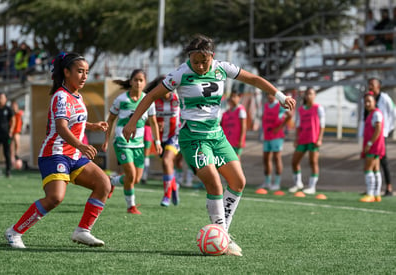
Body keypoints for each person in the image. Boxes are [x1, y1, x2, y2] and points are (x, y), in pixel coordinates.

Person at [122, 34, 296, 256]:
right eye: (195, 61)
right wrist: (132, 122)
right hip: (193, 138)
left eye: (204, 61)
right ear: (189, 59)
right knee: (214, 183)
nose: (200, 66)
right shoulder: (181, 73)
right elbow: (150, 96)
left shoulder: (222, 68)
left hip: (217, 136)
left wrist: (280, 96)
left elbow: (253, 79)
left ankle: (222, 233)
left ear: (212, 56)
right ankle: (222, 235)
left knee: (238, 182)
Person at [4, 52, 111, 249]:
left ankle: (82, 231)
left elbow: (75, 120)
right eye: (80, 71)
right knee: (55, 198)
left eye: (87, 72)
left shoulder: (77, 96)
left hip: (74, 156)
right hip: (55, 154)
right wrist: (81, 145)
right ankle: (14, 232)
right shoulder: (61, 96)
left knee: (104, 184)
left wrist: (92, 126)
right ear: (66, 72)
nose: (84, 76)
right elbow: (61, 127)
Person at [102, 69, 162, 215]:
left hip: (139, 145)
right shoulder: (121, 100)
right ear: (130, 82)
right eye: (135, 80)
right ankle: (131, 206)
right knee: (131, 175)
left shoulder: (149, 100)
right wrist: (106, 140)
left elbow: (153, 123)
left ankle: (112, 182)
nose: (138, 83)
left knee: (136, 179)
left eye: (141, 80)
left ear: (145, 82)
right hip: (122, 142)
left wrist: (157, 141)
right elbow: (110, 120)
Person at [146, 75, 181, 207]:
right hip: (160, 139)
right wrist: (153, 125)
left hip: (175, 136)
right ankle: (174, 187)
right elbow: (145, 121)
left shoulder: (177, 98)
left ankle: (166, 195)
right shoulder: (154, 101)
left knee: (167, 161)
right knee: (167, 166)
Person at [358, 78, 395, 196]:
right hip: (370, 135)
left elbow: (394, 113)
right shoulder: (367, 100)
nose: (370, 86)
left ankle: (386, 187)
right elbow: (364, 119)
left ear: (378, 86)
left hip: (378, 134)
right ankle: (374, 190)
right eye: (369, 84)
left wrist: (388, 129)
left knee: (380, 161)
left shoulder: (384, 99)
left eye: (372, 85)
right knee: (375, 164)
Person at [289, 87, 325, 195]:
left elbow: (322, 125)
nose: (309, 96)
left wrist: (320, 139)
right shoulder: (301, 109)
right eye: (307, 94)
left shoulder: (318, 108)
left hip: (313, 139)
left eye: (311, 94)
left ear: (315, 96)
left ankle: (312, 186)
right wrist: (296, 139)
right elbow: (298, 126)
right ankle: (298, 183)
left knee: (313, 162)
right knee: (294, 161)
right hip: (302, 139)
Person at [259, 92, 292, 191]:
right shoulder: (265, 106)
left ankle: (277, 183)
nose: (269, 96)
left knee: (276, 158)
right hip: (267, 136)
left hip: (277, 136)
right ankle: (267, 182)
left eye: (271, 94)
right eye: (268, 94)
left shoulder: (279, 106)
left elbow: (289, 115)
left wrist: (280, 127)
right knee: (266, 158)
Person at [359, 92, 385, 202]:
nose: (367, 104)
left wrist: (369, 143)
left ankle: (370, 194)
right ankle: (377, 194)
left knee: (367, 168)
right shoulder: (370, 114)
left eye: (369, 101)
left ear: (375, 102)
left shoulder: (376, 114)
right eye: (365, 102)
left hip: (374, 146)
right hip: (375, 145)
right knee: (376, 169)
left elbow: (378, 129)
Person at [221, 90, 247, 160]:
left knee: (235, 160)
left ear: (239, 97)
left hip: (236, 142)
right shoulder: (226, 112)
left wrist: (241, 140)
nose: (232, 99)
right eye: (231, 97)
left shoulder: (241, 110)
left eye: (234, 97)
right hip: (228, 141)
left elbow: (243, 126)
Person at [10, 99, 23, 167]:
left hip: (17, 131)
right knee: (10, 144)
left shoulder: (19, 113)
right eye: (13, 106)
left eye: (15, 106)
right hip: (11, 132)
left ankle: (16, 154)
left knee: (17, 142)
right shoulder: (11, 114)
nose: (14, 107)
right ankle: (11, 158)